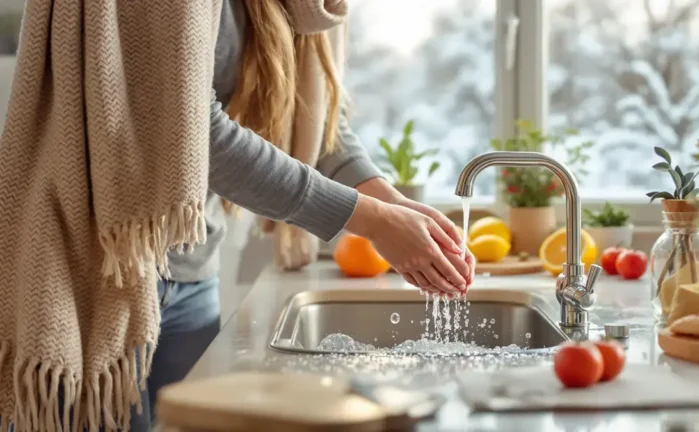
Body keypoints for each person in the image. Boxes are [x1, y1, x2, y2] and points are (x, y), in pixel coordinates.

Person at [0, 0, 474, 430]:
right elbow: (191, 132)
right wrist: (371, 220)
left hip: (190, 266)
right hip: (95, 261)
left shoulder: (298, 7)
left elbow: (310, 109)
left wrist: (391, 203)